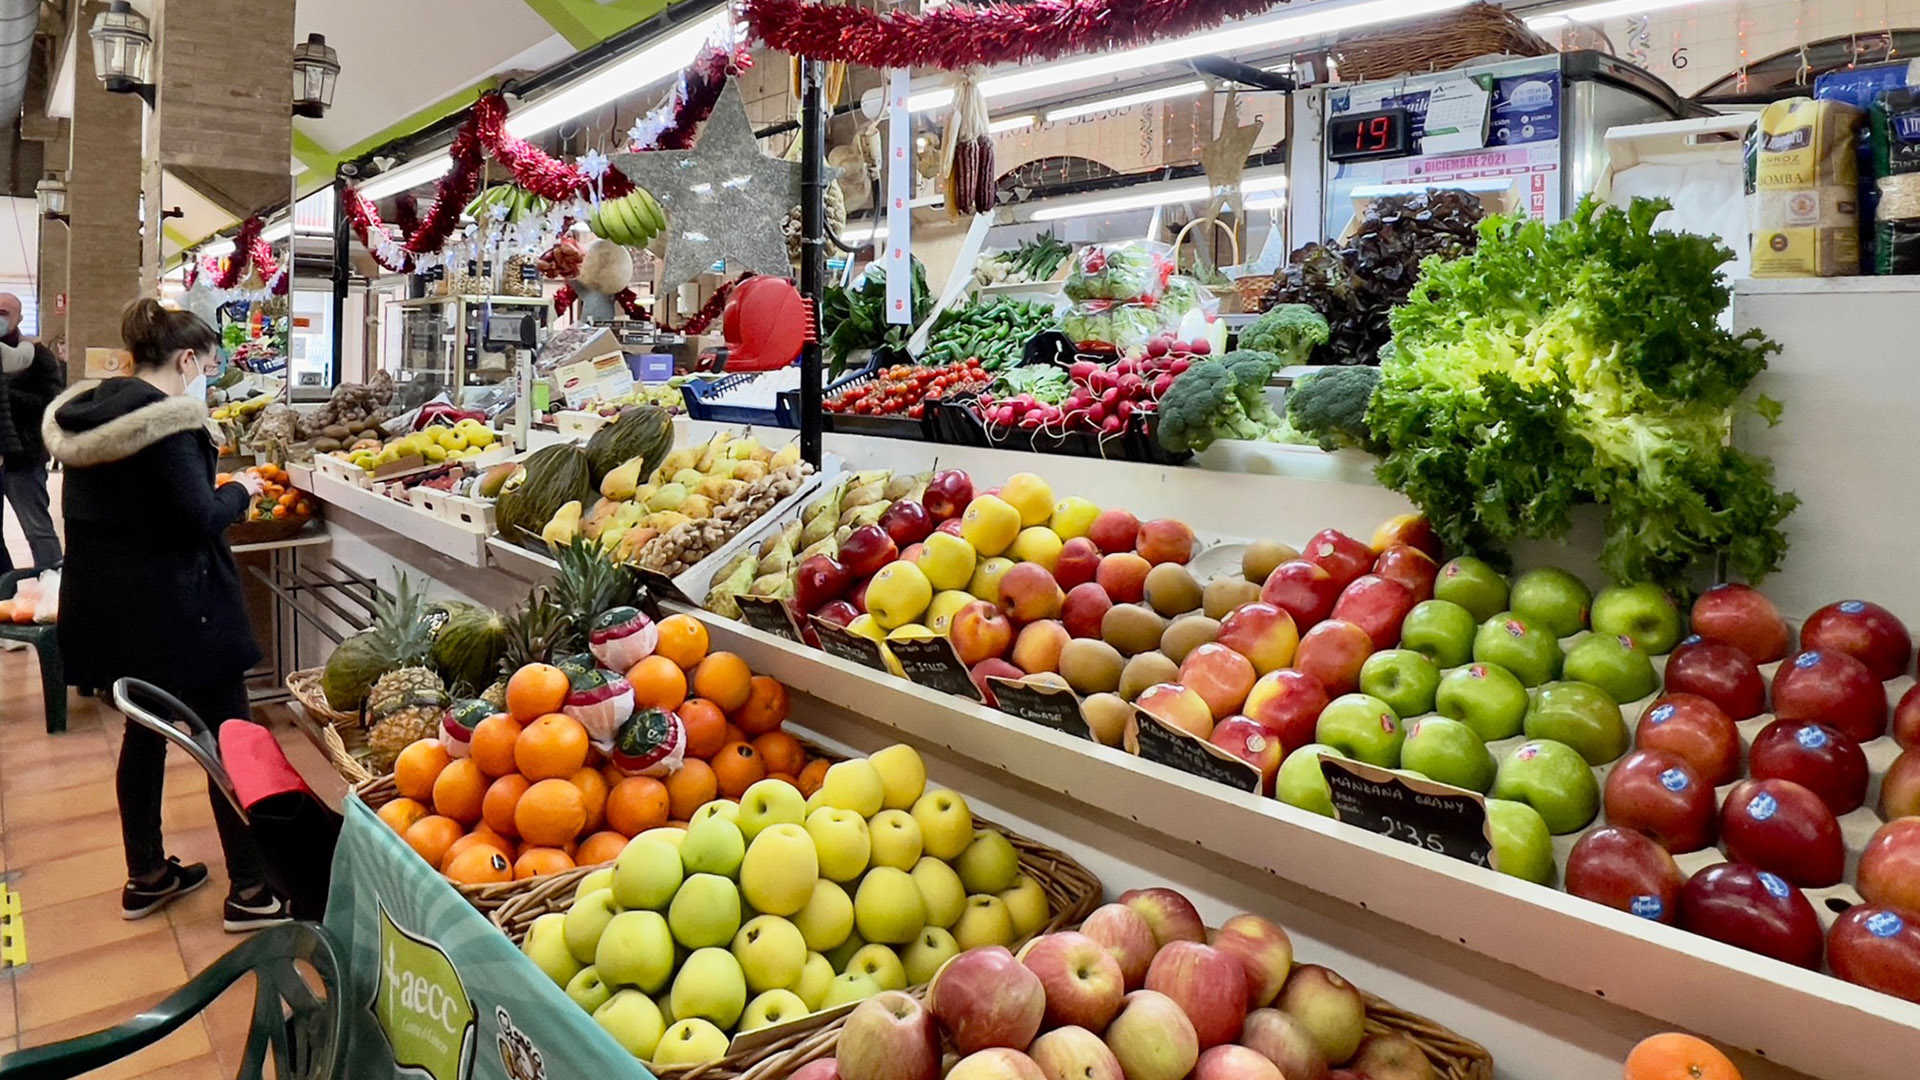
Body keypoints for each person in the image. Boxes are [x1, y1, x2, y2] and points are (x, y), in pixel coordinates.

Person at [42, 298, 289, 931]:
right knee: (231, 739)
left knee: (144, 737)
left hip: (115, 612)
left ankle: (147, 874)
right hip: (183, 615)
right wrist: (241, 490)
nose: (206, 373)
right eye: (206, 362)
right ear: (185, 359)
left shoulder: (92, 416)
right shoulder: (166, 424)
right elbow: (197, 518)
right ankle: (253, 890)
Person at [0, 292, 66, 570]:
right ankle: (6, 590)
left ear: (19, 318)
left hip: (23, 457)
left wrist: (7, 394)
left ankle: (52, 584)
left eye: (5, 313)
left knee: (37, 529)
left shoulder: (38, 356)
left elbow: (51, 403)